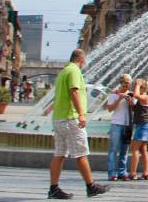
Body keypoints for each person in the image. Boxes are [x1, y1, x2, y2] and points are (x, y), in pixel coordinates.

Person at [48, 48, 110, 199]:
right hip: (70, 118)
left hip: (59, 118)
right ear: (81, 60)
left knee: (59, 155)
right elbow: (74, 92)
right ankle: (91, 186)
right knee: (81, 153)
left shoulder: (63, 72)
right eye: (84, 62)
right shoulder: (75, 71)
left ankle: (53, 189)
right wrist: (82, 114)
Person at [104, 74, 134, 181]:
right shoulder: (113, 94)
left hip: (127, 125)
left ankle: (122, 172)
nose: (127, 84)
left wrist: (129, 100)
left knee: (124, 150)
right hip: (116, 124)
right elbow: (110, 109)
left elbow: (134, 108)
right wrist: (119, 99)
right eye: (125, 82)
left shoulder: (130, 94)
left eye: (129, 82)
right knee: (113, 149)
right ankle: (112, 173)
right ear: (121, 82)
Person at [128, 78, 148, 181]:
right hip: (144, 125)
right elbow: (137, 108)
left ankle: (133, 173)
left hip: (143, 125)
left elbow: (136, 95)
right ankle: (146, 173)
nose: (135, 89)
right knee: (143, 149)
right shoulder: (142, 99)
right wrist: (131, 104)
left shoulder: (145, 97)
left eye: (138, 87)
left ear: (143, 88)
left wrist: (137, 85)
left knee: (135, 149)